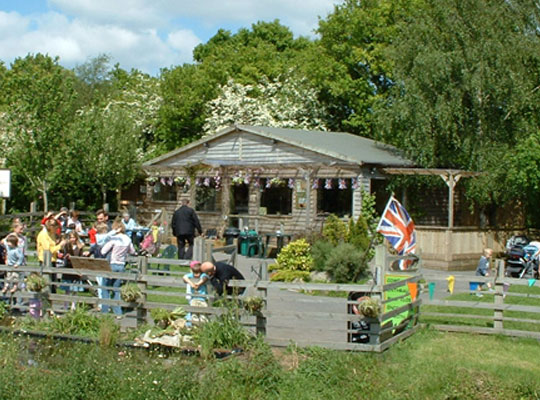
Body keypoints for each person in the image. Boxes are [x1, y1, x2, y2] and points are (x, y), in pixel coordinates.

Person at [100, 221, 136, 316]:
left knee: (105, 287)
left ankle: (105, 310)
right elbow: (132, 251)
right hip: (121, 265)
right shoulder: (127, 239)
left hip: (112, 264)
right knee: (116, 289)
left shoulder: (114, 238)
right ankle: (118, 312)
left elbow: (103, 251)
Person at [37, 219, 67, 294]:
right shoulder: (43, 235)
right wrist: (60, 245)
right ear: (51, 227)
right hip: (45, 261)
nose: (57, 230)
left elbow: (53, 247)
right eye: (56, 228)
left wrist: (57, 253)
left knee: (53, 283)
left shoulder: (51, 234)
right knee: (46, 283)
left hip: (53, 260)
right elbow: (48, 250)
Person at [183, 260, 210, 325]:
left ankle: (202, 328)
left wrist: (198, 284)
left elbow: (205, 278)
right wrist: (192, 284)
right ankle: (196, 327)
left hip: (202, 299)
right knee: (194, 315)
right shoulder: (191, 276)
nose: (197, 275)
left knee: (203, 315)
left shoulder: (202, 275)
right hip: (194, 299)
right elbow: (184, 277)